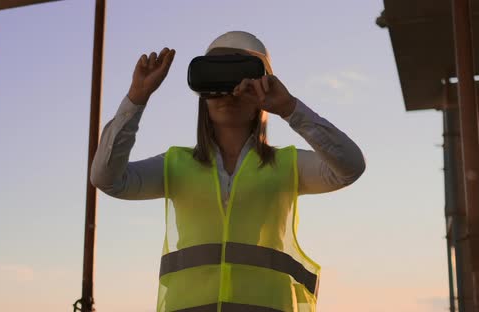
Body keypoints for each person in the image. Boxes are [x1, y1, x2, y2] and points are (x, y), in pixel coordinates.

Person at [91, 31, 365, 312]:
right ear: (202, 95)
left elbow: (351, 167)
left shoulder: (288, 166)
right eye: (215, 80)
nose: (228, 93)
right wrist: (136, 98)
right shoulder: (174, 165)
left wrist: (290, 108)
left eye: (242, 81)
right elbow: (106, 179)